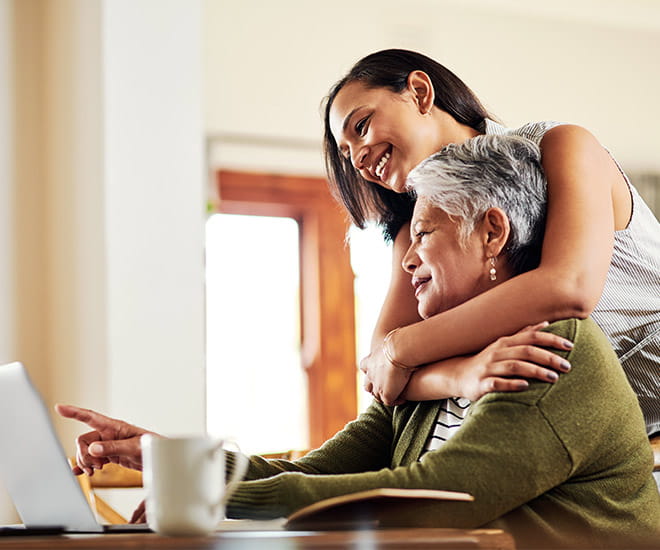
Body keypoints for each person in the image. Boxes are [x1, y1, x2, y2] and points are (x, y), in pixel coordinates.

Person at [58, 135, 660, 549]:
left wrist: (226, 500)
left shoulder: (557, 350)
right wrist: (177, 461)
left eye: (424, 233)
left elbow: (434, 499)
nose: (409, 262)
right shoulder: (439, 364)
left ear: (493, 232)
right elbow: (318, 469)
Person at [324, 49, 659, 439]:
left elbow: (569, 288)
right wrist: (462, 375)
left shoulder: (560, 146)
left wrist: (403, 350)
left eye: (361, 126)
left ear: (419, 92)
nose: (359, 160)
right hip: (588, 437)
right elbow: (379, 374)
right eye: (346, 155)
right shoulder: (410, 237)